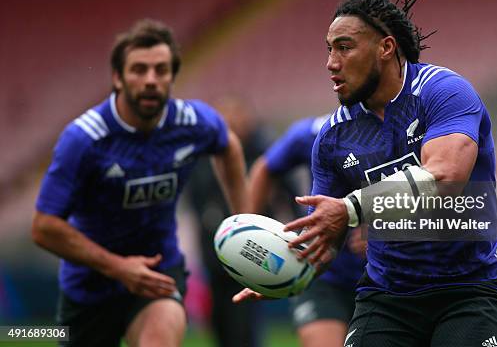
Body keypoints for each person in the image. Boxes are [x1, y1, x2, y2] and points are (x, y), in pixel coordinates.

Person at [235, 0, 497, 347]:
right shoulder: (332, 136)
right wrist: (284, 269)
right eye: (329, 49)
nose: (331, 63)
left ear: (385, 47)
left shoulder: (442, 92)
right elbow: (326, 235)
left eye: (345, 47)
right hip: (387, 297)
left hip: (469, 290)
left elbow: (445, 178)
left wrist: (351, 208)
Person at [31, 19, 250, 347]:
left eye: (161, 70)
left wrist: (245, 224)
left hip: (159, 275)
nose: (151, 80)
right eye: (139, 69)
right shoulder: (84, 139)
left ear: (172, 77)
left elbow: (228, 146)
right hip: (89, 288)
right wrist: (118, 267)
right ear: (118, 78)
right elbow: (44, 226)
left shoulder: (192, 122)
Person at [184, 95, 293, 347]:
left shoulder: (265, 155)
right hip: (212, 253)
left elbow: (289, 195)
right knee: (219, 323)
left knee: (245, 325)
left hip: (253, 251)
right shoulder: (202, 158)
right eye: (226, 114)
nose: (233, 120)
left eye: (238, 113)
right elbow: (194, 202)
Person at [248, 114, 366, 347]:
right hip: (320, 272)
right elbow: (264, 168)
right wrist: (249, 228)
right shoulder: (312, 132)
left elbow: (435, 186)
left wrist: (386, 227)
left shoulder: (408, 130)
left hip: (385, 277)